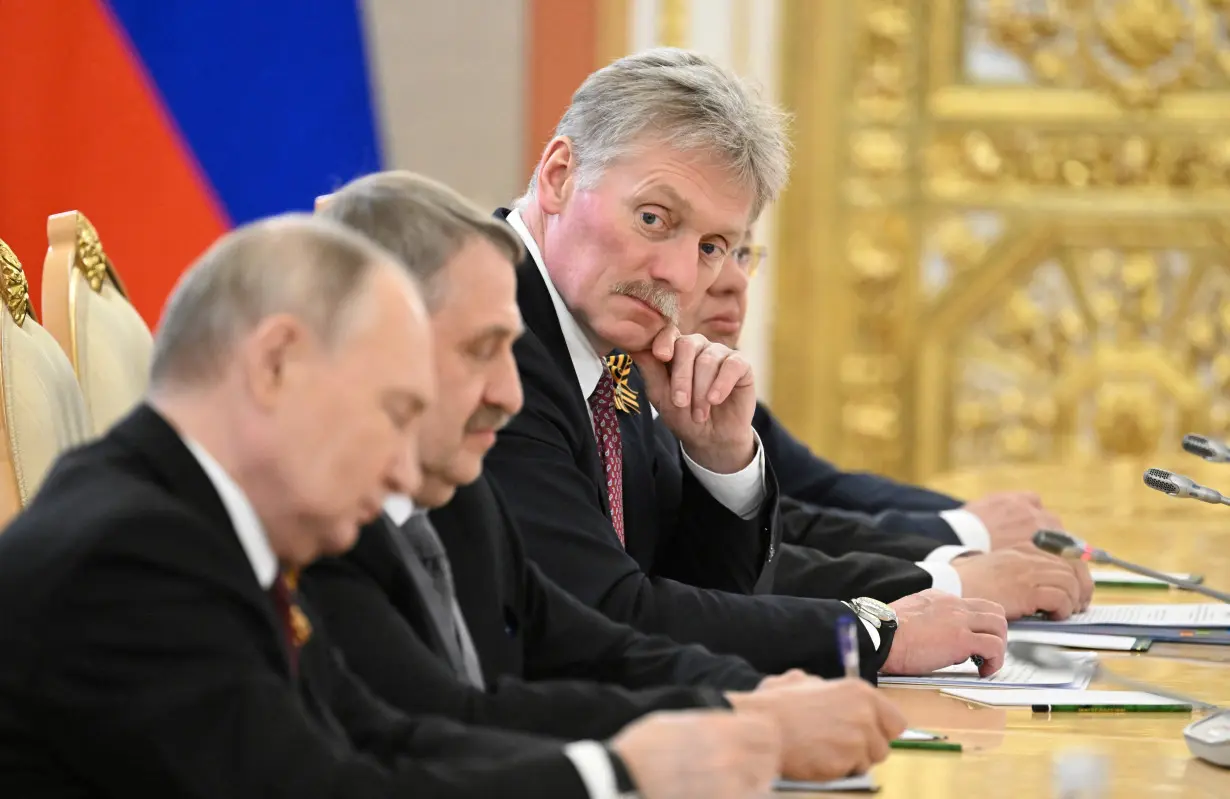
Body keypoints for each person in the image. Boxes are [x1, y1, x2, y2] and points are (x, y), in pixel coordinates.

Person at [0, 214, 784, 799]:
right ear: (277, 363)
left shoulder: (196, 520)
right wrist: (614, 774)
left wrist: (667, 744)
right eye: (392, 411)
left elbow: (381, 735)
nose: (401, 463)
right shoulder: (130, 554)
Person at [303, 170, 908, 782]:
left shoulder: (465, 490)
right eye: (480, 350)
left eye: (718, 247)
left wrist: (753, 701)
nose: (509, 394)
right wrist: (645, 760)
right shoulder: (309, 530)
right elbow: (440, 718)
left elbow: (583, 641)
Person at [484, 46, 1009, 679]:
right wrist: (869, 637)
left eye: (713, 246)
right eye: (654, 218)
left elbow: (689, 586)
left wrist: (720, 460)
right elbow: (601, 616)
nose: (680, 276)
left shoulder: (609, 340)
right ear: (560, 175)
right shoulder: (491, 332)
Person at [684, 230, 1095, 619]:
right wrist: (952, 570)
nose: (735, 281)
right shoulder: (639, 403)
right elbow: (718, 572)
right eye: (709, 249)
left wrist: (970, 529)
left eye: (742, 252)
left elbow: (815, 493)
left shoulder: (721, 396)